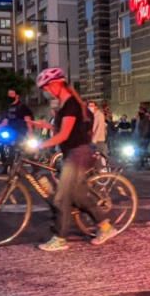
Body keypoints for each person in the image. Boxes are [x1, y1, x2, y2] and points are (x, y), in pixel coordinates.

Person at [32, 68, 116, 252]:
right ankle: (106, 227)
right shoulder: (65, 104)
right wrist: (45, 126)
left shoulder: (71, 104)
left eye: (46, 87)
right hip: (74, 152)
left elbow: (63, 135)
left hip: (78, 154)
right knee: (78, 195)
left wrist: (39, 146)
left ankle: (60, 238)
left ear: (55, 84)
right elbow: (67, 131)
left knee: (62, 197)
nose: (45, 92)